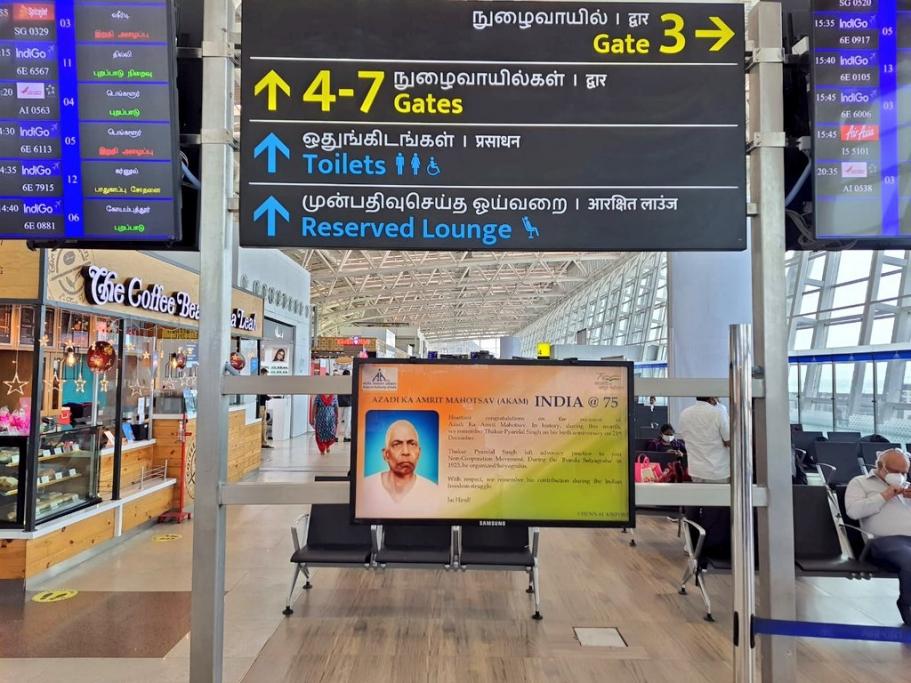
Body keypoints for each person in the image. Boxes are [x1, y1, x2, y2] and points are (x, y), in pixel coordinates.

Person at [845, 448, 911, 626]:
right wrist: (884, 496)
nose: (900, 476)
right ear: (881, 466)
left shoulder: (907, 487)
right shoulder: (860, 483)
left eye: (904, 472)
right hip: (883, 540)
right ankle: (908, 606)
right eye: (896, 471)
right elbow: (853, 511)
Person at [361, 419, 437, 510]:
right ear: (385, 454)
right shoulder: (364, 487)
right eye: (397, 444)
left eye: (412, 444)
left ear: (419, 453)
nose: (405, 451)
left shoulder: (433, 492)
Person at [677, 397, 730, 483]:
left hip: (696, 471)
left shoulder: (684, 413)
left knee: (699, 492)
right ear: (712, 398)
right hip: (717, 471)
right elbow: (729, 441)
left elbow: (685, 437)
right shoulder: (719, 412)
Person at [256, 368, 272, 448]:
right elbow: (263, 396)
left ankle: (262, 442)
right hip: (261, 406)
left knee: (263, 424)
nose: (266, 376)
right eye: (266, 375)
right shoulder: (260, 384)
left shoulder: (258, 383)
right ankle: (263, 442)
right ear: (262, 374)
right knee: (263, 424)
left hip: (261, 405)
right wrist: (269, 397)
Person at [337, 369, 352, 442]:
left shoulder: (340, 382)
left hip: (341, 403)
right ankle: (346, 436)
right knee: (347, 420)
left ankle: (336, 436)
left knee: (339, 420)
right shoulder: (350, 382)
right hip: (348, 403)